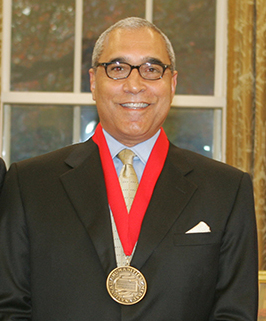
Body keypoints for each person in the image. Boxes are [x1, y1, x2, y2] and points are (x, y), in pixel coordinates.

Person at [0, 17, 258, 321]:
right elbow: (11, 308)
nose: (135, 85)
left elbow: (235, 313)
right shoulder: (28, 184)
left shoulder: (227, 189)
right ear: (94, 82)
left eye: (151, 70)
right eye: (118, 68)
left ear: (172, 84)